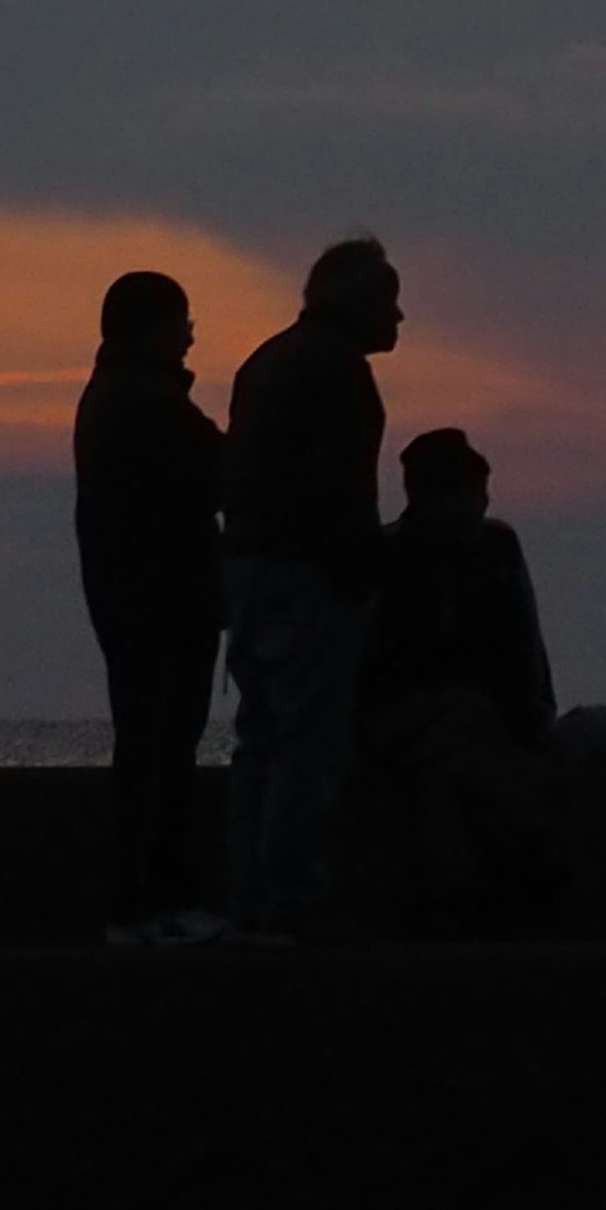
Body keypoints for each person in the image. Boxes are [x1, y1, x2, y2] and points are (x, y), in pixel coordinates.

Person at [219, 233, 402, 943]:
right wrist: (362, 576)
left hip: (252, 569)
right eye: (389, 298)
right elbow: (339, 492)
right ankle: (291, 898)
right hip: (309, 576)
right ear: (358, 302)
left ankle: (253, 897)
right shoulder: (338, 372)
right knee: (307, 743)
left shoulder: (268, 359)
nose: (400, 316)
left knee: (261, 739)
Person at [74, 268, 227, 947]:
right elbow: (226, 472)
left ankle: (145, 897)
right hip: (161, 604)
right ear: (151, 329)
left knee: (151, 747)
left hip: (135, 600)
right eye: (181, 320)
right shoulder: (148, 403)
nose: (191, 333)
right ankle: (148, 900)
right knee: (161, 752)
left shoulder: (115, 396)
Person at [357, 427, 559, 930]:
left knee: (442, 772)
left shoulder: (496, 545)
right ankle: (527, 847)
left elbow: (524, 639)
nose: (482, 502)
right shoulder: (387, 555)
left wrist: (533, 715)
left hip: (462, 726)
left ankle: (456, 895)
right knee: (464, 721)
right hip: (405, 716)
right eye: (473, 491)